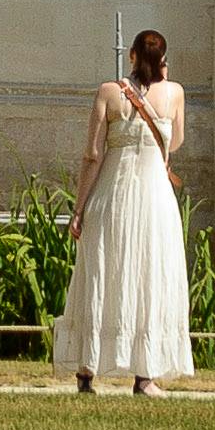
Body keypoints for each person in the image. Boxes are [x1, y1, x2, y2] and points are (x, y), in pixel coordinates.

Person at [58, 28, 193, 399]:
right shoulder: (175, 93)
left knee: (103, 273)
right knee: (151, 277)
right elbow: (175, 143)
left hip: (112, 195)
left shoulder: (108, 92)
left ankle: (87, 371)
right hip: (155, 200)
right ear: (162, 59)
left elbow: (92, 155)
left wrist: (78, 209)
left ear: (131, 55)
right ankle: (145, 376)